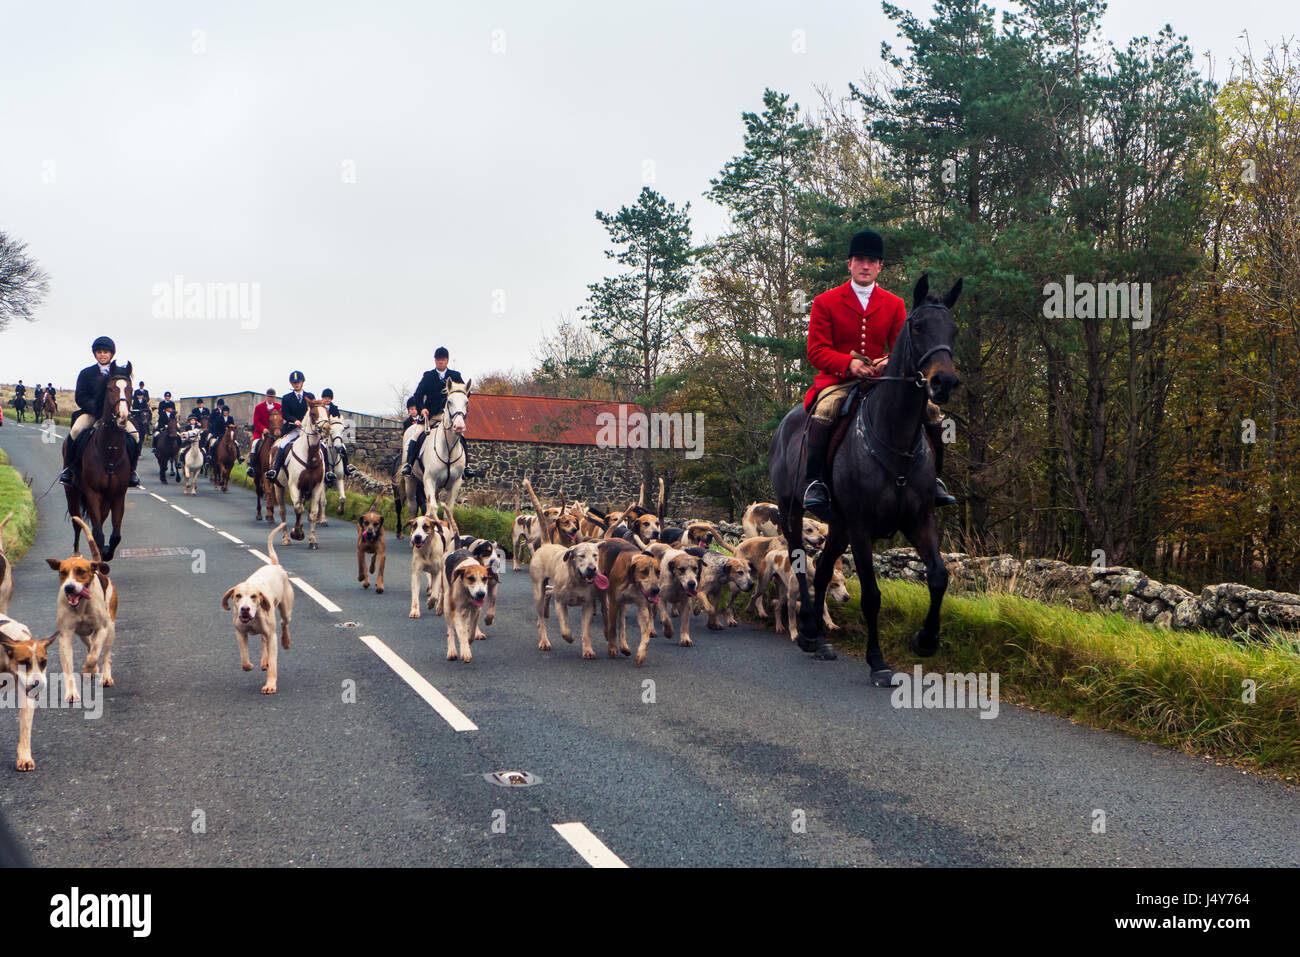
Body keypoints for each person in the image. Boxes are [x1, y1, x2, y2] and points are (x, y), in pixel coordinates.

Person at [801, 229, 955, 517]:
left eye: (872, 261)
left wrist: (886, 361)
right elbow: (816, 350)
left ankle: (934, 479)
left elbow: (902, 346)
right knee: (826, 408)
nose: (865, 265)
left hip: (884, 380)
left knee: (932, 411)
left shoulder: (895, 303)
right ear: (849, 264)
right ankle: (816, 482)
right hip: (840, 380)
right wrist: (849, 364)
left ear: (879, 267)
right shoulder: (825, 301)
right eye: (859, 259)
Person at [58, 336, 141, 487]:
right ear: (95, 354)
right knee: (75, 431)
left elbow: (126, 394)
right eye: (99, 352)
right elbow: (80, 396)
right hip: (91, 414)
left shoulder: (120, 373)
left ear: (111, 354)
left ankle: (132, 471)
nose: (102, 355)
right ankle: (69, 469)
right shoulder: (86, 373)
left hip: (115, 416)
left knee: (135, 435)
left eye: (106, 352)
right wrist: (96, 409)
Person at [400, 347, 484, 478]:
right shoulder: (428, 376)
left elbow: (465, 394)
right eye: (438, 359)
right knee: (416, 435)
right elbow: (418, 394)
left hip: (449, 417)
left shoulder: (455, 376)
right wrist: (422, 408)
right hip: (431, 416)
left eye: (443, 359)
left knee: (461, 437)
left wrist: (459, 409)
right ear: (435, 360)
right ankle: (409, 465)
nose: (441, 362)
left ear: (447, 360)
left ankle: (466, 467)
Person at [265, 371, 335, 484]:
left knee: (323, 446)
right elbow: (285, 413)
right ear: (291, 384)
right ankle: (275, 471)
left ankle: (328, 473)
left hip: (308, 430)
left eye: (298, 382)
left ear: (302, 382)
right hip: (293, 429)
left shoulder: (310, 396)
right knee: (282, 444)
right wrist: (295, 420)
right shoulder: (286, 398)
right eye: (294, 382)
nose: (296, 384)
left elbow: (314, 410)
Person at [319, 388, 358, 477]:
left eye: (329, 398)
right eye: (325, 398)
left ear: (331, 399)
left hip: (332, 434)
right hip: (322, 434)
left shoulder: (335, 409)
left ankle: (346, 467)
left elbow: (337, 422)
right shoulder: (319, 408)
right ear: (322, 398)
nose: (327, 400)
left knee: (343, 448)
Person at [250, 388, 280, 465]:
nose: (271, 398)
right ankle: (252, 465)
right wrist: (263, 429)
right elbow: (256, 421)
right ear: (266, 397)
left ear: (275, 398)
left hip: (275, 433)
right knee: (254, 444)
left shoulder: (279, 406)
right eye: (269, 396)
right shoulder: (259, 407)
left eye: (272, 397)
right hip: (260, 433)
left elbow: (281, 420)